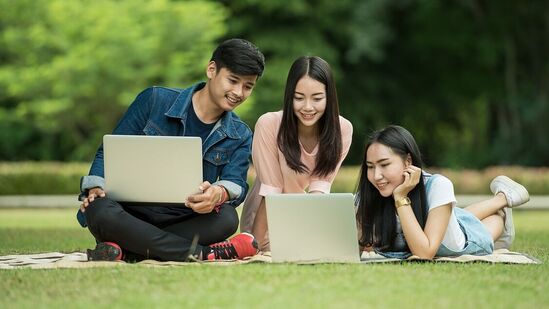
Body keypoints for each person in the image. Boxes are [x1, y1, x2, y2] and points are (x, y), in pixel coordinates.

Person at [78, 38, 265, 262]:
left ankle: (126, 249)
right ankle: (205, 253)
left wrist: (220, 193)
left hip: (185, 217)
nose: (239, 92)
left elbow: (235, 183)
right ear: (211, 69)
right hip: (128, 212)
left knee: (226, 218)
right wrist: (96, 187)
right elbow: (108, 152)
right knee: (98, 210)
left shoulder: (240, 134)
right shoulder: (154, 99)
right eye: (233, 80)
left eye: (248, 86)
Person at [355, 125, 530, 259]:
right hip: (448, 219)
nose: (376, 175)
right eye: (370, 167)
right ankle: (502, 197)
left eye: (385, 165)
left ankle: (502, 202)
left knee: (490, 221)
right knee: (456, 215)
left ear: (408, 161)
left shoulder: (438, 185)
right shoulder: (370, 192)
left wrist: (401, 197)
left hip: (463, 239)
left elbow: (424, 253)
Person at [240, 56, 353, 252]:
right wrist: (255, 247)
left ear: (329, 97)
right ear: (289, 96)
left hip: (304, 212)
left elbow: (320, 188)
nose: (307, 107)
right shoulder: (269, 124)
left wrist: (313, 235)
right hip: (264, 216)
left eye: (317, 98)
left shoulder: (342, 129)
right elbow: (270, 191)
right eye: (299, 98)